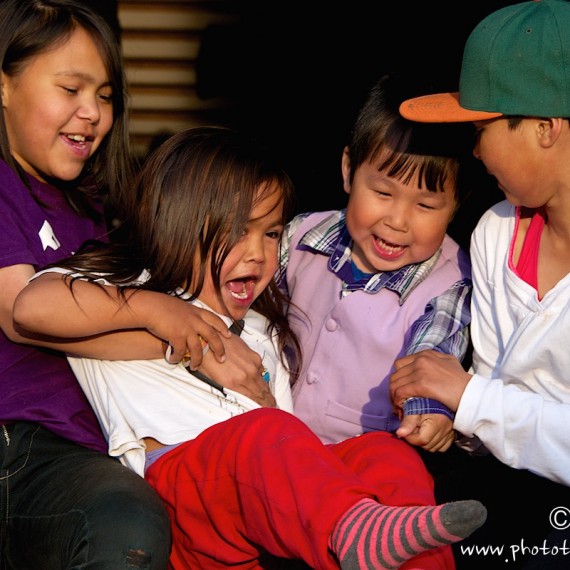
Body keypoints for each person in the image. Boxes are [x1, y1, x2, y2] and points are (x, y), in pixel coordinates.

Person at [14, 126, 487, 570]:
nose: (259, 253)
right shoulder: (122, 288)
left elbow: (282, 439)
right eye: (238, 229)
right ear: (177, 220)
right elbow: (32, 307)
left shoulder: (263, 328)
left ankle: (400, 551)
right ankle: (349, 531)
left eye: (272, 233)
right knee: (264, 434)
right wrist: (159, 311)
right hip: (180, 491)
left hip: (255, 511)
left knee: (385, 456)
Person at [0, 1, 268, 568]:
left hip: (89, 445)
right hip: (19, 442)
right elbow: (21, 316)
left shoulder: (92, 206)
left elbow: (112, 327)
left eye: (103, 94)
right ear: (3, 86)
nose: (92, 112)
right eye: (71, 88)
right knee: (128, 522)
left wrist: (190, 337)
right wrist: (171, 323)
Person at [392, 0, 570, 567]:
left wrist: (469, 398)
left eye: (480, 129)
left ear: (545, 127)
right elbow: (491, 403)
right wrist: (446, 413)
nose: (473, 150)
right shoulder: (497, 230)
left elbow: (484, 397)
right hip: (501, 490)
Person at [277, 73, 477, 455]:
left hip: (360, 461)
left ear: (456, 206)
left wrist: (429, 413)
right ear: (349, 170)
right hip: (274, 438)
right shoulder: (301, 237)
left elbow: (432, 356)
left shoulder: (448, 284)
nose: (397, 221)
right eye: (383, 192)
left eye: (425, 205)